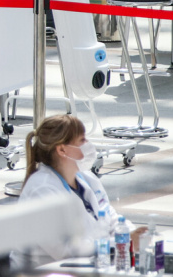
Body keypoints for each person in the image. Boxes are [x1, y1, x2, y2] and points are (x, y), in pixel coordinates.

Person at [11, 114, 138, 268]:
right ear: (62, 149)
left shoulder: (87, 179)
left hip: (90, 266)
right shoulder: (41, 190)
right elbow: (66, 250)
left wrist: (131, 233)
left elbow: (109, 217)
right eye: (82, 141)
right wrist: (119, 242)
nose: (88, 145)